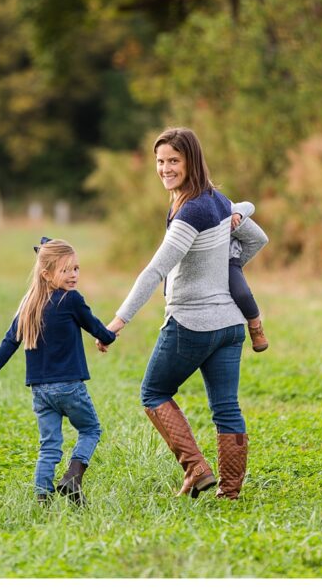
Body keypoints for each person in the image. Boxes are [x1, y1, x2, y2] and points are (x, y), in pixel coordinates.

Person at [99, 127, 267, 500]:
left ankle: (196, 468)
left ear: (191, 161)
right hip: (230, 325)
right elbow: (257, 238)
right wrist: (227, 267)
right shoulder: (219, 202)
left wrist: (118, 321)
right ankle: (230, 492)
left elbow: (155, 270)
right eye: (160, 161)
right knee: (225, 406)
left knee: (153, 392)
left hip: (192, 324)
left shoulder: (191, 211)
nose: (165, 168)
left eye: (173, 160)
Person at [0, 238, 116, 505]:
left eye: (76, 268)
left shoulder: (29, 304)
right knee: (91, 430)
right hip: (69, 386)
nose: (73, 275)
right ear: (47, 274)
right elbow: (96, 327)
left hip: (40, 390)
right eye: (66, 270)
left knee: (49, 444)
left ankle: (42, 497)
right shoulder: (71, 299)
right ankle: (72, 477)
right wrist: (109, 335)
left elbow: (10, 341)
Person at [229, 202, 270, 352]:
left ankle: (255, 326)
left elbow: (249, 205)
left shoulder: (224, 204)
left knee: (243, 293)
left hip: (229, 260)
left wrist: (237, 214)